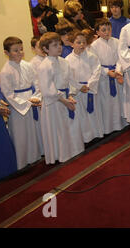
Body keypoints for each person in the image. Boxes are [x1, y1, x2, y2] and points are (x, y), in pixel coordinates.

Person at [37, 32, 85, 164]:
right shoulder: (44, 66)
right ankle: (60, 154)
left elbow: (70, 80)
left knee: (70, 126)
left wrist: (70, 95)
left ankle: (73, 150)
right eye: (54, 45)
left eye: (59, 44)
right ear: (45, 49)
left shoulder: (64, 62)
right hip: (55, 102)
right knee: (59, 128)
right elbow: (48, 89)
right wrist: (64, 100)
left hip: (65, 99)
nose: (59, 47)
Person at [0, 37, 43, 170]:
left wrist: (37, 97)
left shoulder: (27, 65)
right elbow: (8, 95)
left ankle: (38, 155)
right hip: (19, 107)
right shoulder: (5, 72)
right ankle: (23, 161)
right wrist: (27, 103)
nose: (20, 52)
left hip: (32, 99)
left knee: (35, 130)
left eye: (21, 49)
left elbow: (37, 83)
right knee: (22, 134)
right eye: (15, 50)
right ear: (6, 53)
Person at [65, 31, 104, 143]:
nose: (82, 45)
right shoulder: (68, 60)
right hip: (78, 92)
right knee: (81, 115)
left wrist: (89, 85)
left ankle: (95, 134)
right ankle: (85, 138)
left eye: (84, 42)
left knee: (93, 113)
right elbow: (68, 77)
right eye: (78, 42)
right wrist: (78, 87)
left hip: (89, 89)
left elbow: (97, 71)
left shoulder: (92, 57)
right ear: (72, 44)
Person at [90, 18, 127, 134]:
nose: (106, 32)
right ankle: (109, 127)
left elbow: (120, 58)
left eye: (109, 29)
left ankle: (122, 123)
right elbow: (95, 65)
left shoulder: (116, 42)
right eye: (103, 30)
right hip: (104, 78)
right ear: (97, 32)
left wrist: (118, 70)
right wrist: (106, 72)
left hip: (116, 74)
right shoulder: (94, 46)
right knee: (106, 103)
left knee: (119, 100)